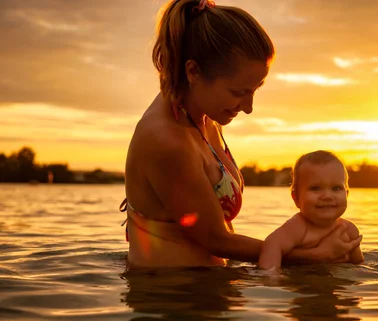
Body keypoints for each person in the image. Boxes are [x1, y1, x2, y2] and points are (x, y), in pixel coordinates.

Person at [120, 0, 362, 267]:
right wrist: (312, 256)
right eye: (237, 92)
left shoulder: (205, 116)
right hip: (169, 297)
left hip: (207, 291)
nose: (248, 108)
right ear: (193, 72)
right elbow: (214, 238)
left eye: (254, 89)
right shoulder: (165, 139)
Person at [259, 151, 365, 269]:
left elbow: (359, 266)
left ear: (347, 194)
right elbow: (272, 244)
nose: (327, 196)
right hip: (303, 283)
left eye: (336, 188)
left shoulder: (349, 230)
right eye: (316, 188)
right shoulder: (297, 227)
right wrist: (270, 277)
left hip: (336, 286)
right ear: (296, 198)